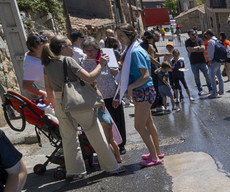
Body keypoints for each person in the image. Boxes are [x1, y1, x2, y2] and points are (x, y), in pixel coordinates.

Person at [41, 35, 126, 181]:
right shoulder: (68, 61)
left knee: (69, 139)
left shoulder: (47, 64)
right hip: (77, 101)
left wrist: (55, 105)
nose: (73, 48)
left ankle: (74, 171)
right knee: (96, 134)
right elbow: (90, 77)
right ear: (63, 48)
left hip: (60, 102)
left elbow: (48, 88)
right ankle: (111, 166)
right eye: (69, 45)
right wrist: (102, 63)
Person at [115, 25, 164, 167]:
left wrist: (130, 87)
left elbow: (145, 76)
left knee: (139, 126)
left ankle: (154, 157)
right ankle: (156, 152)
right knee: (148, 123)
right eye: (118, 35)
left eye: (121, 35)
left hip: (143, 91)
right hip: (144, 91)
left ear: (129, 35)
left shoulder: (135, 52)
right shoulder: (134, 49)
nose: (119, 38)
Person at [81, 37, 124, 166]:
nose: (90, 53)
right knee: (106, 129)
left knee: (117, 122)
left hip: (111, 94)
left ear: (97, 49)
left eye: (92, 50)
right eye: (87, 50)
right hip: (97, 99)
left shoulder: (106, 56)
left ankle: (121, 147)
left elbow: (117, 74)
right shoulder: (82, 62)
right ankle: (110, 154)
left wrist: (118, 95)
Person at [21, 34, 48, 104]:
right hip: (52, 96)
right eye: (43, 48)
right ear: (33, 48)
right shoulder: (32, 64)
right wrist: (44, 93)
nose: (47, 49)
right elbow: (26, 85)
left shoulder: (32, 54)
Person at [185, 31, 210, 96]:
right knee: (197, 78)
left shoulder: (199, 40)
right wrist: (198, 48)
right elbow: (189, 50)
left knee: (207, 75)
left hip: (202, 61)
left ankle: (210, 88)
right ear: (189, 35)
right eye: (192, 34)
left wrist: (194, 49)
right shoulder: (187, 42)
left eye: (195, 34)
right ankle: (200, 90)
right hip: (194, 62)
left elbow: (203, 48)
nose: (195, 35)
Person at [204, 31, 227, 98]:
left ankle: (214, 92)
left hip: (214, 61)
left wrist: (209, 61)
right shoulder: (217, 40)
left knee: (211, 76)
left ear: (208, 35)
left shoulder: (211, 42)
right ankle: (221, 90)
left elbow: (210, 52)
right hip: (219, 60)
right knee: (219, 75)